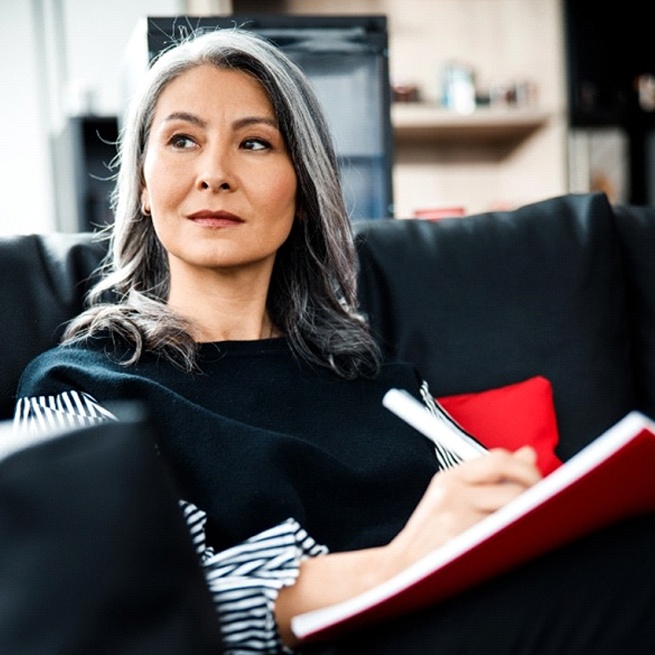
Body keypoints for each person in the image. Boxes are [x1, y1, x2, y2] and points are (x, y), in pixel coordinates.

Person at [13, 27, 655, 655]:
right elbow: (143, 607)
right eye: (182, 139)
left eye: (255, 144)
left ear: (302, 188)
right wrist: (398, 560)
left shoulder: (377, 382)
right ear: (145, 188)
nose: (214, 173)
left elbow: (508, 523)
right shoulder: (83, 391)